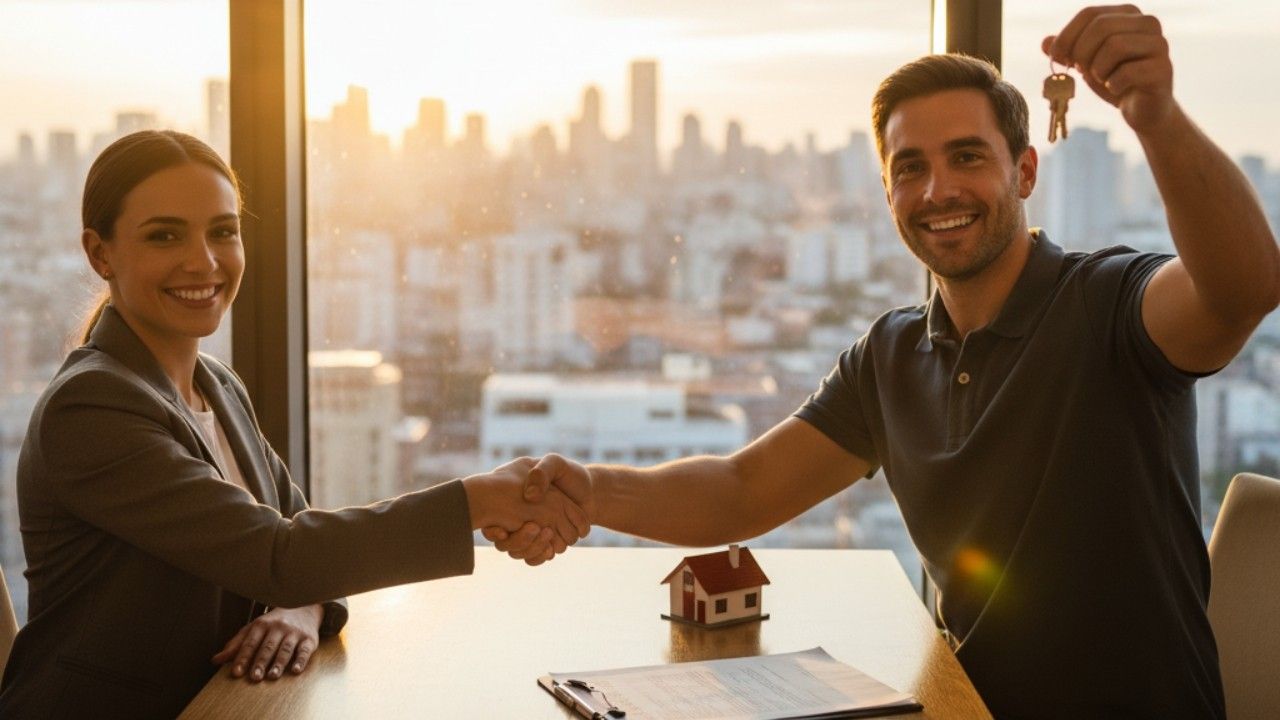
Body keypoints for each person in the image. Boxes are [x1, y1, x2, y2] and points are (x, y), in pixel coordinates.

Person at [489, 6, 1280, 718]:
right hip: (963, 706)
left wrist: (1155, 114)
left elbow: (1241, 289)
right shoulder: (891, 354)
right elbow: (740, 492)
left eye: (969, 157)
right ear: (887, 190)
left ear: (1025, 172)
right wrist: (588, 492)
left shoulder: (1107, 304)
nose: (938, 189)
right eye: (911, 168)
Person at [0, 130, 587, 719]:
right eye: (165, 235)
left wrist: (302, 609)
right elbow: (283, 557)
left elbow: (307, 544)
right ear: (100, 254)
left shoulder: (217, 385)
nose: (203, 260)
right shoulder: (92, 407)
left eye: (223, 231)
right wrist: (478, 501)